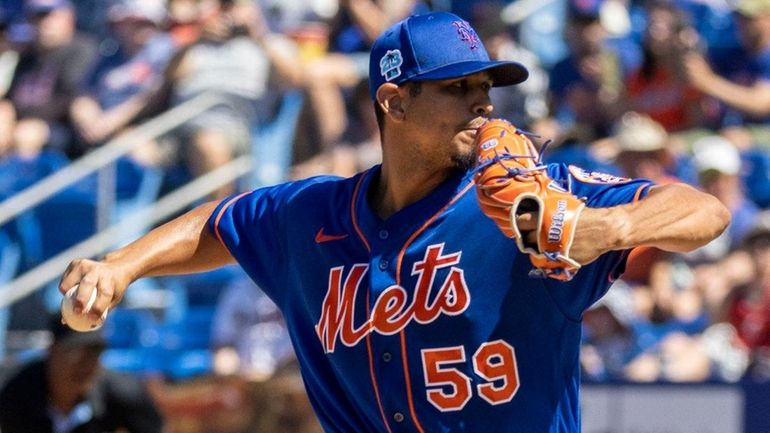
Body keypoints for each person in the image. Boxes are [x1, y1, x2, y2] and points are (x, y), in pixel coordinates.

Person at [58, 11, 730, 432]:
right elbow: (221, 222)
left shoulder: (527, 201)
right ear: (393, 102)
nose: (483, 106)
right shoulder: (313, 213)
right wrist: (121, 267)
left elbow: (703, 210)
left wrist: (603, 230)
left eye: (486, 88)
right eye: (457, 88)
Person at [0, 316, 164, 433]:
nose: (87, 364)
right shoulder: (11, 388)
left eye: (96, 352)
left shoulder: (123, 392)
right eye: (77, 352)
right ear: (52, 351)